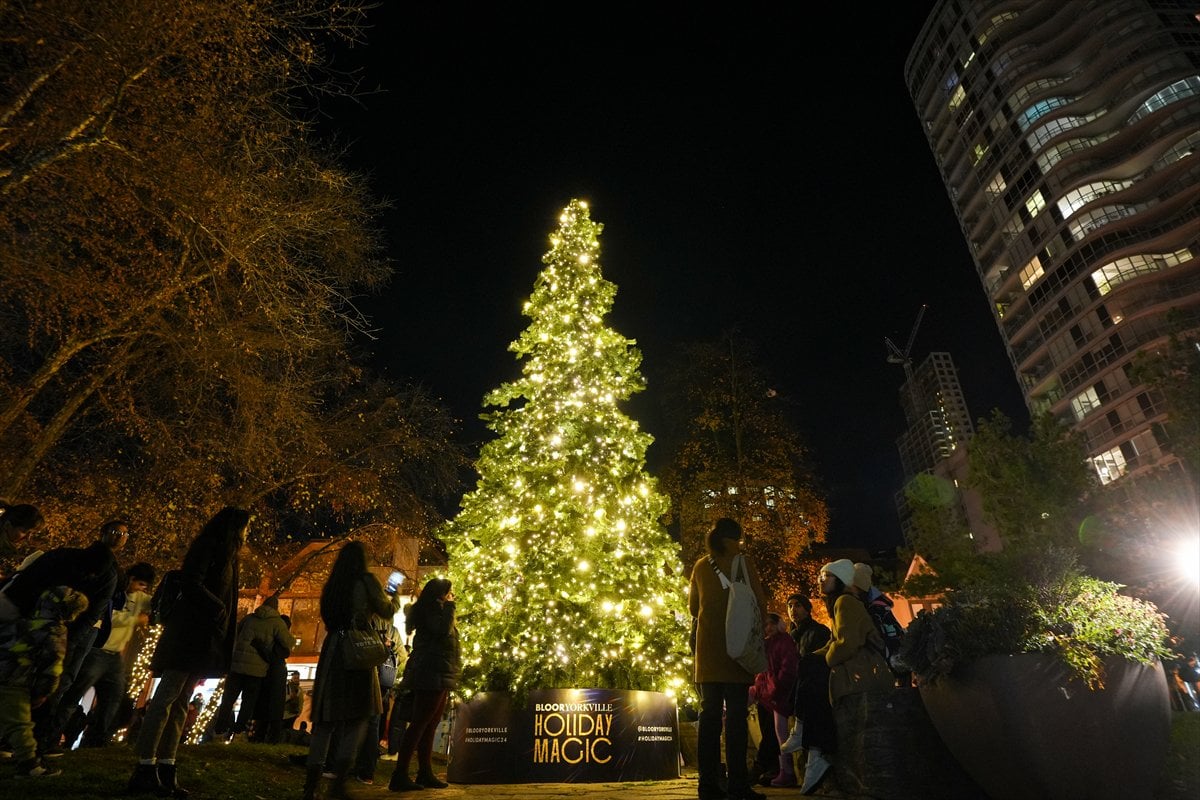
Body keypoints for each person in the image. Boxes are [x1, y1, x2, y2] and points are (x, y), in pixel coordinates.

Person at [126, 506, 250, 798]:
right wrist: (216, 607)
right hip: (189, 635)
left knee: (180, 701)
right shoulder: (210, 548)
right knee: (167, 697)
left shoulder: (228, 556)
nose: (248, 533)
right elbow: (191, 581)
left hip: (203, 637)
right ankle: (145, 767)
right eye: (246, 527)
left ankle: (166, 766)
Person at [304, 542, 402, 800]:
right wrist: (393, 591)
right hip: (357, 650)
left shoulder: (333, 584)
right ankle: (339, 782)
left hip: (333, 649)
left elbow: (326, 615)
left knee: (326, 720)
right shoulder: (366, 580)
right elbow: (387, 611)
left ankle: (310, 786)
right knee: (359, 715)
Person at [688, 517, 769, 800]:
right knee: (735, 717)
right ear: (735, 538)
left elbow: (693, 607)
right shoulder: (742, 563)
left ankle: (707, 784)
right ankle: (737, 784)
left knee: (709, 716)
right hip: (736, 650)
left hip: (707, 653)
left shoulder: (700, 565)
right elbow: (759, 601)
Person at [42, 561, 156, 751]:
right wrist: (135, 619)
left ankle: (96, 742)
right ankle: (50, 739)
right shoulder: (112, 593)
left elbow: (154, 604)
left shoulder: (139, 598)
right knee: (74, 695)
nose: (141, 589)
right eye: (140, 584)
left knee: (113, 699)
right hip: (96, 652)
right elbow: (108, 618)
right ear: (131, 579)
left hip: (115, 656)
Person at [807, 559, 894, 795]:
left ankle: (816, 751)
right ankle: (813, 748)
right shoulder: (840, 603)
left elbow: (847, 643)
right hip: (855, 673)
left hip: (859, 675)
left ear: (841, 580)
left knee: (852, 735)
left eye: (827, 576)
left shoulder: (845, 602)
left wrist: (823, 660)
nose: (821, 581)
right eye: (820, 577)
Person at [0, 585, 89, 778]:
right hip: (16, 679)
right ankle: (29, 763)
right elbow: (53, 666)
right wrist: (44, 691)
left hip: (5, 672)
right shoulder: (55, 631)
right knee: (20, 723)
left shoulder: (24, 621)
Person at [386, 577, 461, 793]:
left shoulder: (434, 608)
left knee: (431, 722)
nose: (451, 595)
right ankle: (400, 774)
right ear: (440, 593)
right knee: (421, 722)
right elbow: (442, 632)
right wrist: (450, 606)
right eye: (449, 592)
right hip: (431, 670)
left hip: (439, 670)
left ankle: (424, 772)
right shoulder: (433, 610)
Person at [213, 595, 293, 740]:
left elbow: (236, 633)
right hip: (257, 670)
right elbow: (289, 642)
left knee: (229, 697)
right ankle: (239, 727)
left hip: (237, 665)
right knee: (248, 700)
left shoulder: (249, 618)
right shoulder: (277, 623)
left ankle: (221, 725)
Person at [779, 593, 832, 762]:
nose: (793, 609)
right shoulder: (790, 637)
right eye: (790, 606)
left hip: (811, 686)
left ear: (807, 609)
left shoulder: (819, 631)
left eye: (797, 605)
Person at [752, 612, 799, 787]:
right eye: (765, 625)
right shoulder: (766, 643)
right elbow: (762, 670)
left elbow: (788, 667)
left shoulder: (784, 641)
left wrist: (776, 688)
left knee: (781, 734)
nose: (768, 628)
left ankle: (785, 771)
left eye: (771, 624)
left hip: (779, 695)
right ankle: (777, 769)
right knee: (771, 732)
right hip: (767, 695)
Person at [851, 562, 909, 686]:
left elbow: (883, 639)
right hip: (894, 662)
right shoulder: (880, 607)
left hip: (888, 666)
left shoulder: (874, 611)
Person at [0, 503, 45, 585]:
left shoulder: (7, 550)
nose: (28, 538)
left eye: (31, 533)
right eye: (24, 531)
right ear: (8, 525)